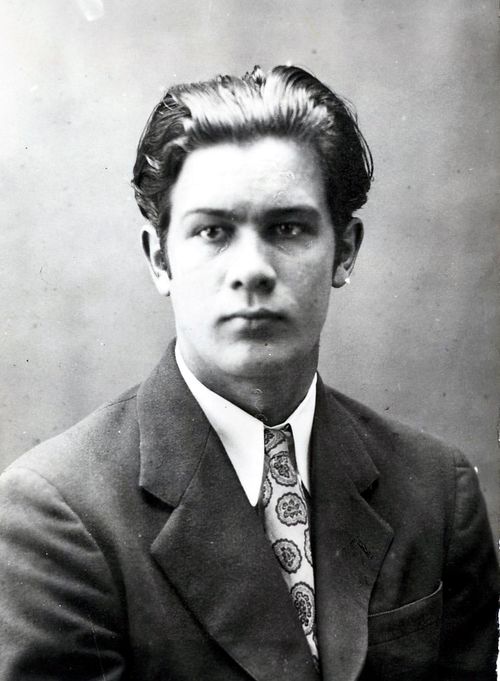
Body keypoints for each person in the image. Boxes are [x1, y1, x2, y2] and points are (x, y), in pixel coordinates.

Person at [0, 65, 497, 681]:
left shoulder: (437, 491)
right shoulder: (58, 516)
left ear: (344, 251)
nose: (252, 270)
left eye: (287, 228)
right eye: (213, 231)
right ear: (159, 260)